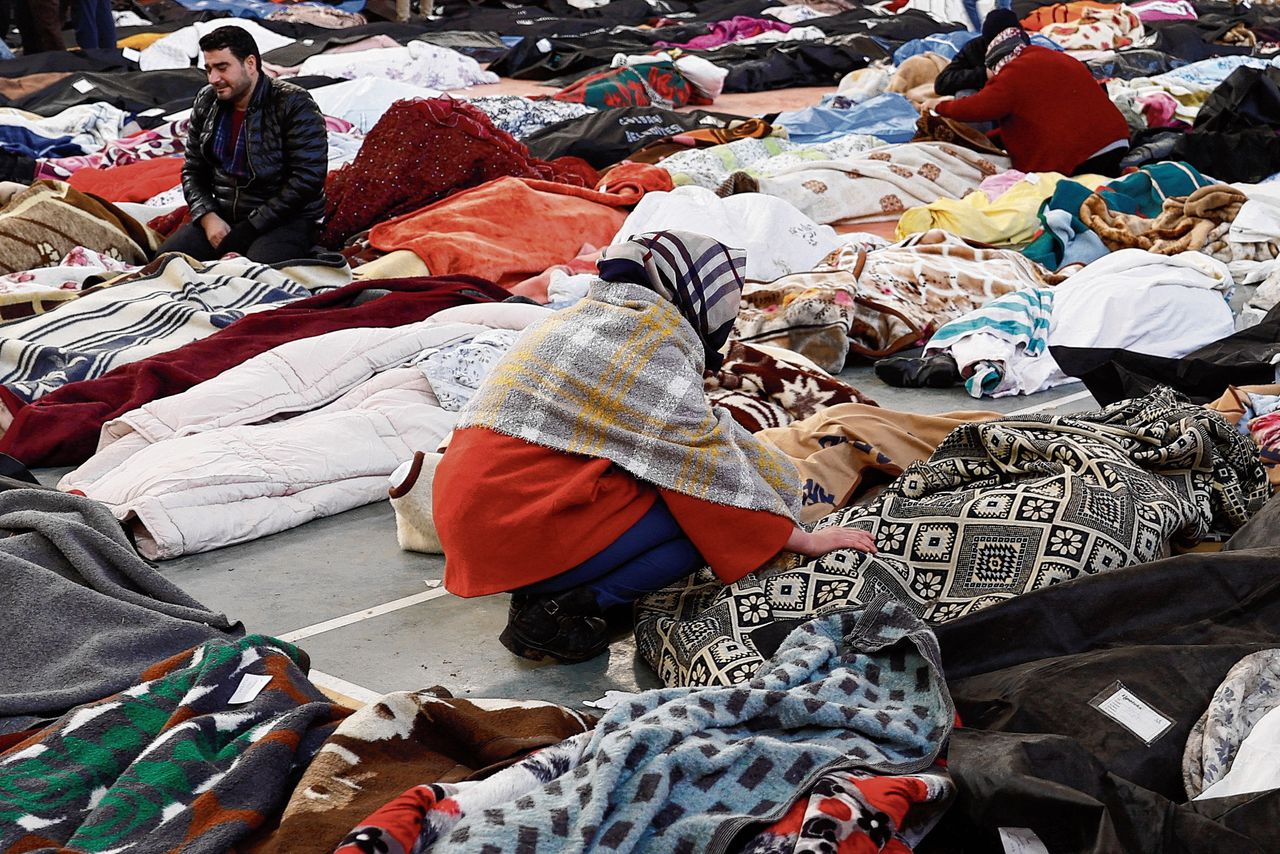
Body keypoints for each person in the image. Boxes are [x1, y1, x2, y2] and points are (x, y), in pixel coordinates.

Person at [433, 231, 878, 664]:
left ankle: (546, 591)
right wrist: (799, 537)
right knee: (709, 514)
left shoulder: (583, 319)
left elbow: (683, 438)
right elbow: (708, 462)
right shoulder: (645, 338)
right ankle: (561, 611)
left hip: (479, 514)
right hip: (512, 522)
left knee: (670, 479)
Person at [159, 26, 327, 264]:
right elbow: (193, 169)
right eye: (208, 69)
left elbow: (307, 178)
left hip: (285, 219)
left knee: (254, 274)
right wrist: (208, 216)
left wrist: (251, 227)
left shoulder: (293, 103)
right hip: (226, 216)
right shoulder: (207, 100)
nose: (213, 79)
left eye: (222, 68)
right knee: (165, 263)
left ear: (250, 63)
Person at [923, 25, 1132, 176]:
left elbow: (980, 106)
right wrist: (989, 140)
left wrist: (939, 106)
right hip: (1117, 142)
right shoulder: (1056, 58)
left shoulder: (1014, 71)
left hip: (1083, 156)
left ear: (997, 62)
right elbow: (1037, 117)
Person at [934, 8, 1022, 97]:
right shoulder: (974, 49)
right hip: (981, 98)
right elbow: (942, 83)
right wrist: (984, 74)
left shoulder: (1024, 49)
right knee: (965, 94)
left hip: (1014, 98)